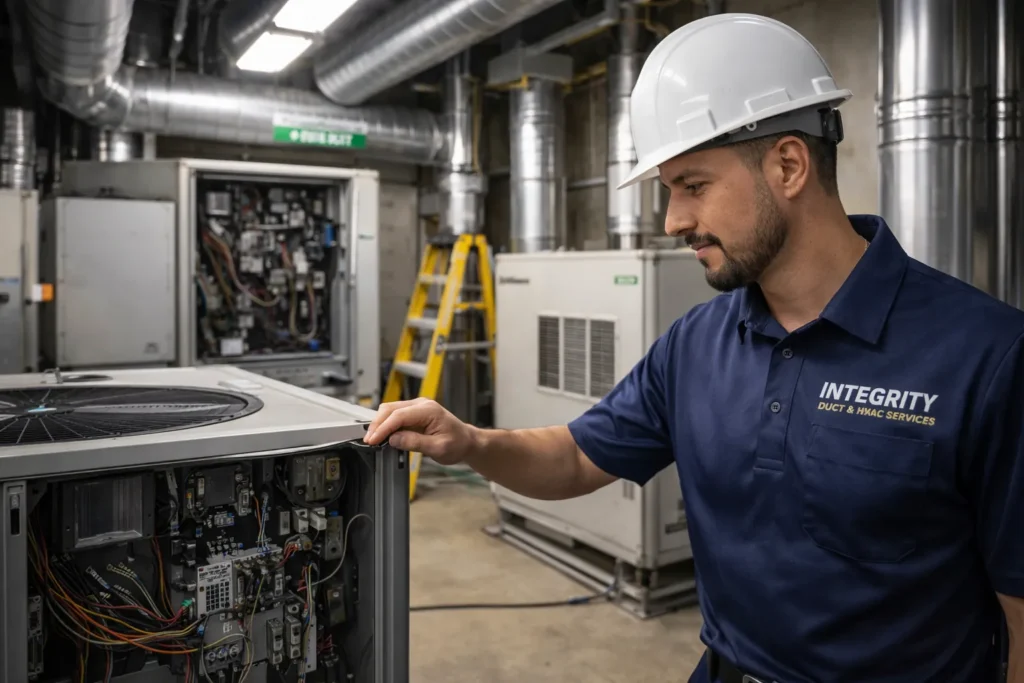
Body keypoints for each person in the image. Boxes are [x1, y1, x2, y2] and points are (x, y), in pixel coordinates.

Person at [365, 13, 1024, 683]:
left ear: (789, 164)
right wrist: (470, 442)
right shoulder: (696, 344)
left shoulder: (987, 356)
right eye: (668, 191)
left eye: (693, 186)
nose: (674, 220)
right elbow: (573, 456)